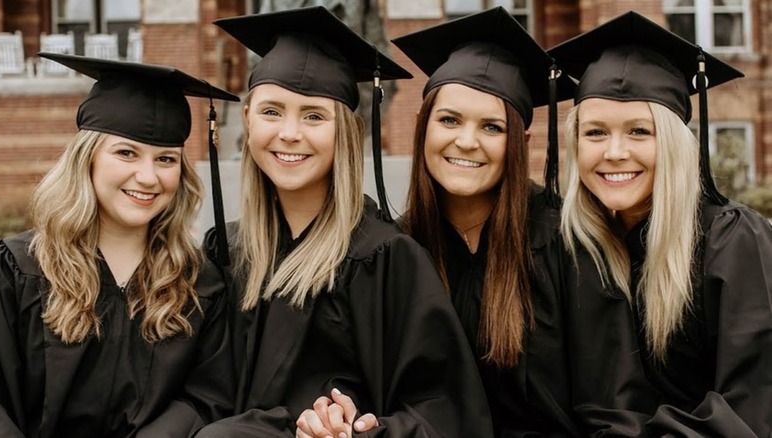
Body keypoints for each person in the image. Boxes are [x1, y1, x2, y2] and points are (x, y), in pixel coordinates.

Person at [196, 6, 493, 437]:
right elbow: (202, 394)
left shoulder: (386, 258)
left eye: (314, 115)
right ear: (247, 120)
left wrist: (361, 433)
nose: (290, 133)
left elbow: (445, 411)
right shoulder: (226, 252)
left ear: (347, 132)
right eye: (272, 111)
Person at [298, 7, 585, 436]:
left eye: (492, 127)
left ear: (521, 143)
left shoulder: (569, 246)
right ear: (422, 127)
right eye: (449, 120)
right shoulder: (390, 253)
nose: (465, 141)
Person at [548, 11, 772, 436]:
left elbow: (754, 405)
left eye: (639, 131)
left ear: (673, 143)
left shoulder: (733, 241)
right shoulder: (577, 249)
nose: (614, 152)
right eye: (595, 133)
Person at [0, 54, 239, 438]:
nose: (148, 176)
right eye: (126, 153)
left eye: (166, 159)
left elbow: (207, 397)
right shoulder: (17, 269)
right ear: (87, 159)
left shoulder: (201, 284)